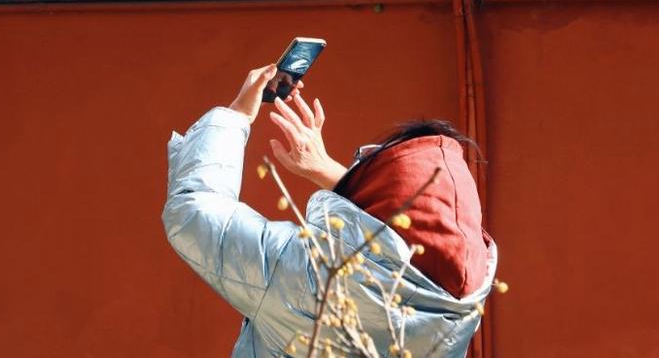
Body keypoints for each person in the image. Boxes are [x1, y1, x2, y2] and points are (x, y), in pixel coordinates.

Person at [163, 65, 497, 357]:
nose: (360, 161)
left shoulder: (311, 275)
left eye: (368, 162)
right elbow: (404, 240)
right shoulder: (459, 305)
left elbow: (193, 211)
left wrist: (235, 115)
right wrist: (331, 174)